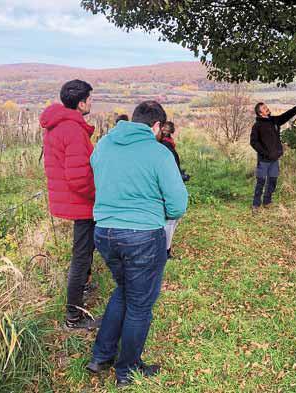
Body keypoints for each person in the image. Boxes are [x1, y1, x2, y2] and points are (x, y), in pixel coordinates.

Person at [86, 101, 188, 387]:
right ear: (156, 126)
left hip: (104, 231)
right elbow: (178, 205)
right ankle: (127, 370)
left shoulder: (104, 145)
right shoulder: (158, 152)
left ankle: (101, 355)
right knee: (140, 305)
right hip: (142, 234)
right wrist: (155, 212)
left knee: (125, 290)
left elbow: (99, 180)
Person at [40, 79, 100, 330]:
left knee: (85, 250)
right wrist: (99, 195)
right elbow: (79, 177)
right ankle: (73, 316)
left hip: (72, 199)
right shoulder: (72, 130)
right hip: (80, 201)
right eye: (90, 99)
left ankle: (83, 287)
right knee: (81, 254)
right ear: (81, 102)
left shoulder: (58, 125)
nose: (91, 103)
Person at [249, 97, 296, 212]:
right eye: (264, 108)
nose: (267, 108)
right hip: (263, 160)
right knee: (261, 182)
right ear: (260, 113)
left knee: (273, 181)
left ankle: (267, 202)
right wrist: (265, 153)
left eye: (266, 107)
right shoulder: (257, 126)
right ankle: (256, 204)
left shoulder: (274, 121)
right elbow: (253, 142)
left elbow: (287, 115)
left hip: (275, 159)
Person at [157, 121, 189, 259]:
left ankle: (165, 250)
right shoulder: (165, 145)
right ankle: (165, 252)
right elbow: (169, 166)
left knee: (172, 218)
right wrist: (180, 176)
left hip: (171, 181)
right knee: (171, 219)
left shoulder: (167, 143)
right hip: (168, 184)